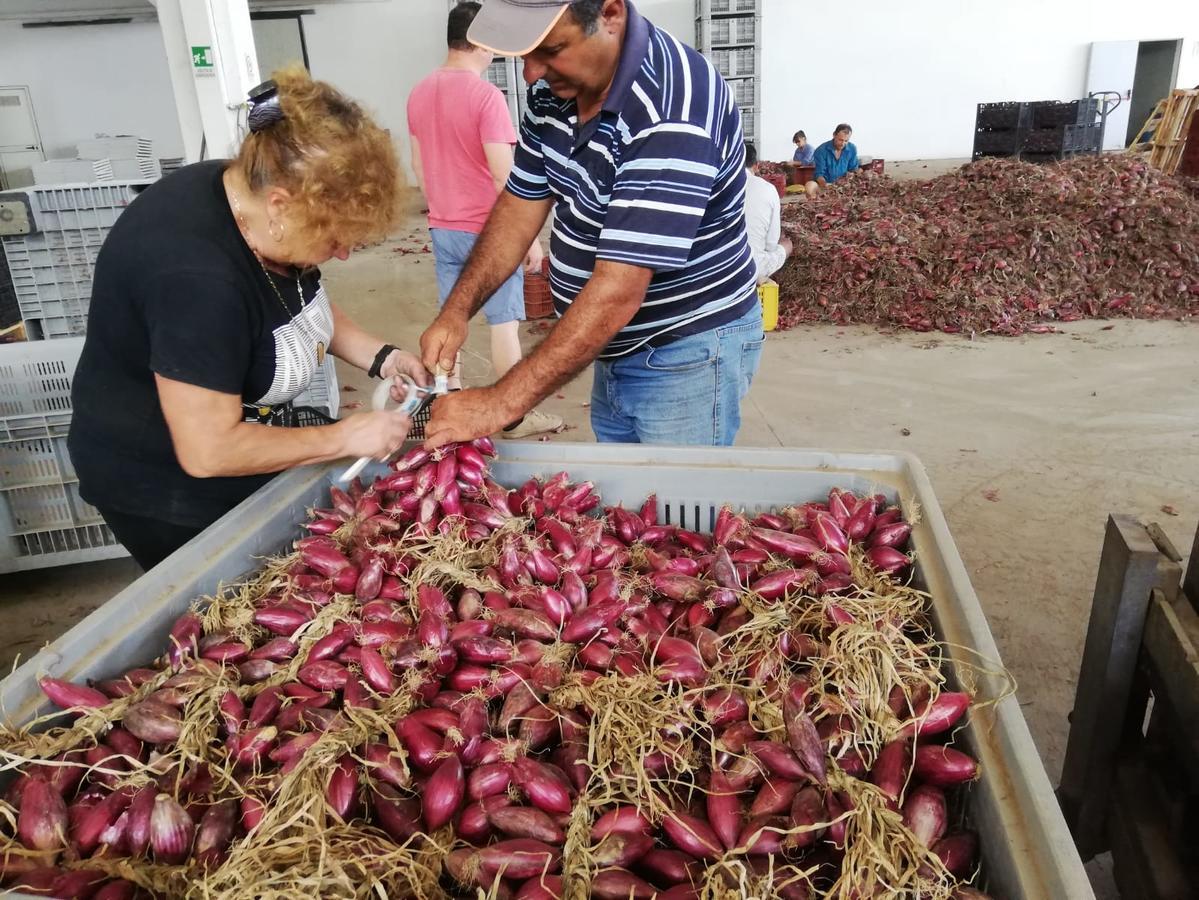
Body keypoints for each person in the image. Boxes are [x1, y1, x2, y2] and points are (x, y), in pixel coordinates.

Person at [68, 68, 428, 570]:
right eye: (333, 240)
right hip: (165, 483)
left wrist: (381, 356)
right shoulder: (197, 279)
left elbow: (298, 302)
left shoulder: (254, 196)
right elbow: (208, 452)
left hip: (230, 441)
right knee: (227, 618)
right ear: (281, 204)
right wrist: (344, 436)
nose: (341, 254)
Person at [419, 0, 763, 448]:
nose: (531, 74)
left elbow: (619, 290)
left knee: (678, 508)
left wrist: (499, 404)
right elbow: (520, 204)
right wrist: (456, 310)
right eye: (525, 54)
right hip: (611, 344)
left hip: (687, 351)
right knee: (626, 507)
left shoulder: (671, 110)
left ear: (611, 14)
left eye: (551, 49)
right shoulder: (558, 87)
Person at [407, 1, 562, 439]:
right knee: (503, 322)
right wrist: (527, 235)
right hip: (488, 231)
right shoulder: (485, 96)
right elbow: (503, 175)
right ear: (479, 40)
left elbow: (419, 169)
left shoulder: (419, 92)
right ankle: (512, 417)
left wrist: (444, 207)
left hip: (443, 225)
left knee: (450, 319)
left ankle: (447, 399)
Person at [744, 142, 792, 285]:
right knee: (786, 244)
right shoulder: (768, 189)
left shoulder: (715, 186)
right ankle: (762, 278)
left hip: (713, 268)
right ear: (756, 166)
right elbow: (771, 244)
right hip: (751, 269)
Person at [811, 123, 859, 193]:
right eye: (840, 140)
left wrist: (852, 176)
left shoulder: (852, 148)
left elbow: (853, 169)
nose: (843, 143)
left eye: (846, 141)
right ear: (834, 135)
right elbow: (819, 175)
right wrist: (827, 186)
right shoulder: (821, 150)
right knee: (810, 186)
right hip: (825, 185)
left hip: (845, 186)